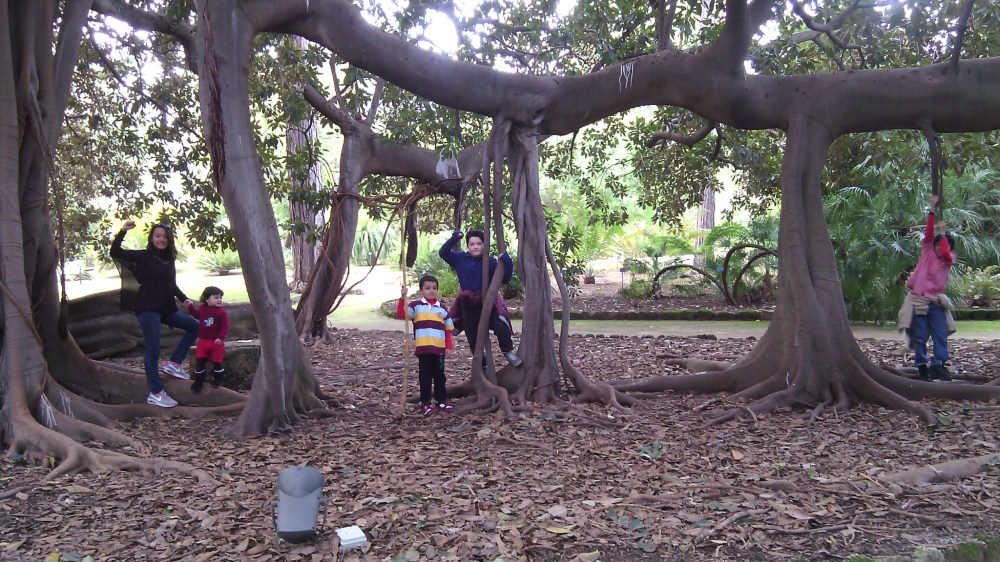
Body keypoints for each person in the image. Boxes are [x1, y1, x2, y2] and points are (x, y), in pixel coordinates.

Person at [110, 220, 199, 408]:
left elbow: (171, 284)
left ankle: (174, 364)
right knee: (153, 348)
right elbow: (115, 252)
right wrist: (123, 231)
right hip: (147, 307)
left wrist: (184, 299)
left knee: (194, 326)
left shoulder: (169, 259)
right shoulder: (144, 256)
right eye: (157, 236)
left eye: (164, 237)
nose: (161, 239)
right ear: (151, 238)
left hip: (166, 307)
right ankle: (156, 392)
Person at [439, 229, 522, 367]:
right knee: (473, 338)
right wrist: (455, 238)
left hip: (487, 303)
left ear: (484, 245)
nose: (475, 246)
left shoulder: (490, 262)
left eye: (479, 243)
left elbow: (505, 279)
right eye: (472, 244)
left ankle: (508, 351)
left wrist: (507, 263)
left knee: (501, 325)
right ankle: (483, 365)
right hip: (468, 305)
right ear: (468, 246)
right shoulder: (460, 258)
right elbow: (443, 253)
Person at [900, 194, 956, 382]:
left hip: (935, 302)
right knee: (920, 336)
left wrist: (943, 233)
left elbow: (946, 251)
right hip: (918, 301)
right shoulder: (927, 250)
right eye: (938, 246)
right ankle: (922, 366)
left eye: (943, 245)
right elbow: (930, 231)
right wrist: (932, 207)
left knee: (940, 335)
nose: (940, 248)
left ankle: (938, 364)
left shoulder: (948, 260)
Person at [397, 275, 456, 416]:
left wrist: (448, 346)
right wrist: (402, 298)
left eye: (434, 288)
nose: (431, 291)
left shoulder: (441, 308)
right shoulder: (415, 306)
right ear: (421, 290)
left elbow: (448, 329)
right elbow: (402, 314)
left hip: (439, 349)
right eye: (428, 288)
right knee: (425, 377)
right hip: (423, 349)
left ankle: (441, 400)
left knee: (440, 376)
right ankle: (425, 402)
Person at [185, 286, 230, 393]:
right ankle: (199, 380)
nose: (219, 300)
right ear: (207, 299)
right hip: (203, 342)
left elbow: (225, 326)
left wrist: (221, 338)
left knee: (217, 361)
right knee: (199, 361)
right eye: (216, 297)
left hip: (216, 342)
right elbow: (196, 315)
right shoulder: (202, 309)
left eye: (220, 298)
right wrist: (190, 306)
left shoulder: (221, 312)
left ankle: (218, 378)